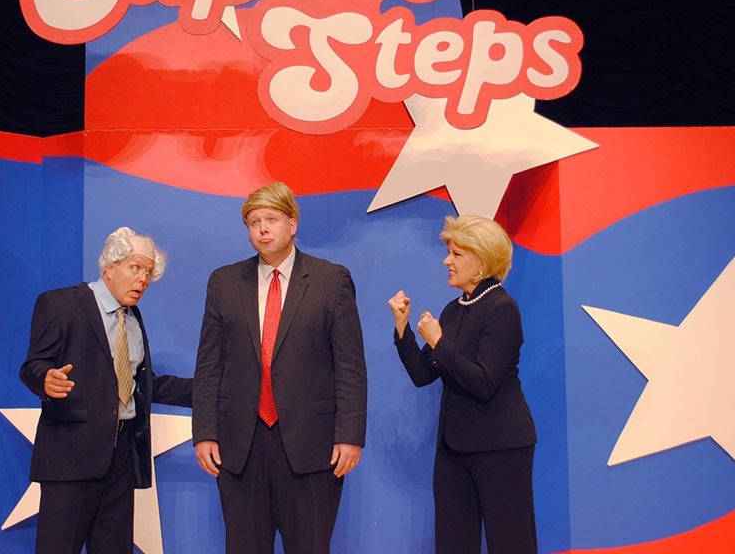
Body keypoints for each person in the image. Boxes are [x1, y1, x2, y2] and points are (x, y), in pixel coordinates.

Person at [193, 182, 368, 554]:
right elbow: (210, 363)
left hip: (312, 444)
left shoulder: (330, 280)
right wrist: (205, 432)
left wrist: (350, 434)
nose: (262, 229)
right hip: (241, 444)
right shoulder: (224, 282)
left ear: (292, 224)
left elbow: (350, 365)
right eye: (253, 222)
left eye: (271, 219)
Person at [20, 226, 192, 554]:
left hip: (121, 460)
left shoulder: (133, 318)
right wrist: (45, 380)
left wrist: (211, 391)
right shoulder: (60, 304)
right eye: (136, 267)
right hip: (70, 460)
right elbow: (33, 365)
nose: (143, 279)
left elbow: (141, 385)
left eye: (149, 272)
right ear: (110, 268)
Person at [388, 215, 537, 554]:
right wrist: (403, 329)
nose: (446, 261)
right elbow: (423, 374)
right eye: (449, 253)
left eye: (456, 254)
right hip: (454, 451)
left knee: (511, 543)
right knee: (453, 544)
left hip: (501, 449)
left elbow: (483, 382)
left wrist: (440, 343)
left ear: (481, 262)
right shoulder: (453, 311)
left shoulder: (503, 309)